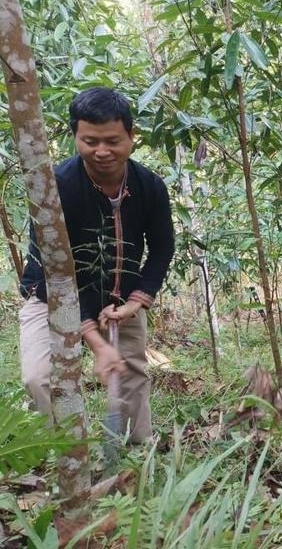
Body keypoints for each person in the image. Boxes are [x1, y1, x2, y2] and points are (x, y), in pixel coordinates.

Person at [19, 87, 175, 443]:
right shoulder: (56, 188)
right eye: (90, 141)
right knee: (40, 377)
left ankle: (137, 452)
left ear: (131, 137)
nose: (102, 151)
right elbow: (53, 271)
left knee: (130, 374)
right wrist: (97, 342)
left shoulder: (149, 187)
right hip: (51, 297)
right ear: (75, 136)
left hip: (122, 301)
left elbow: (163, 248)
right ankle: (67, 453)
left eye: (112, 141)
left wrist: (135, 302)